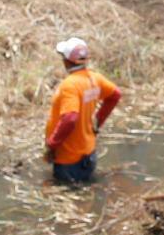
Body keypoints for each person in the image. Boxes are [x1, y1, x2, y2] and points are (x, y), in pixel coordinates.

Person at [44, 37, 122, 184]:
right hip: (89, 154)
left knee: (67, 199)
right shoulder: (95, 79)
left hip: (69, 159)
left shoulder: (70, 85)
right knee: (85, 197)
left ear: (66, 61)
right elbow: (115, 94)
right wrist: (98, 122)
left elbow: (70, 118)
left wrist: (51, 144)